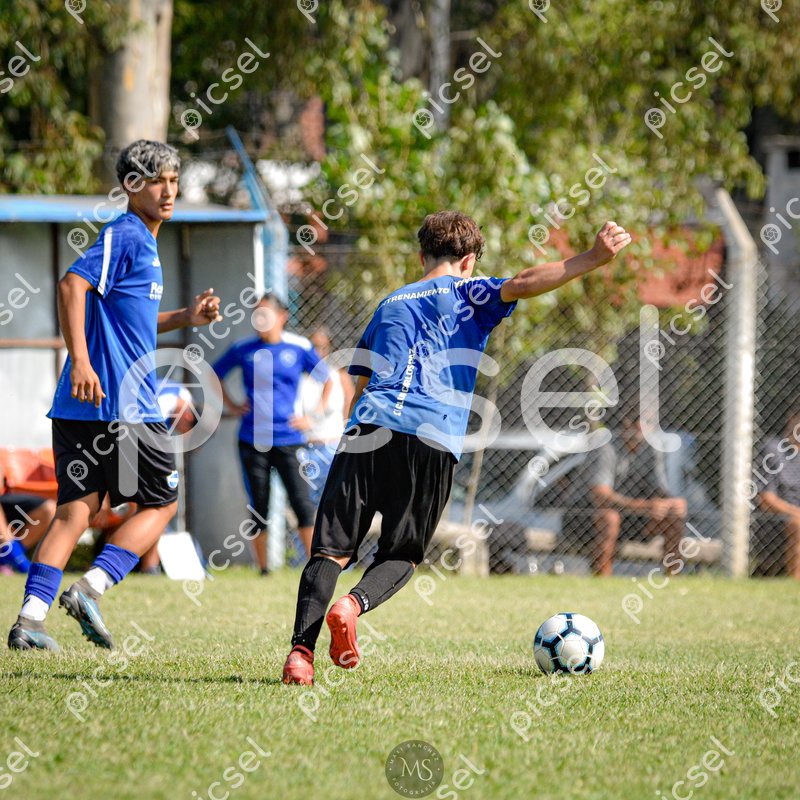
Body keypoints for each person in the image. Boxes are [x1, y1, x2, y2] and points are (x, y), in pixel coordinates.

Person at [281, 211, 632, 685]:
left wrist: (353, 430)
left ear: (421, 256)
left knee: (329, 551)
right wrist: (591, 257)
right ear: (468, 261)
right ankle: (352, 605)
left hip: (366, 429)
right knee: (400, 554)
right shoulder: (469, 292)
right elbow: (524, 282)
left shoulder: (389, 304)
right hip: (430, 436)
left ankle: (300, 654)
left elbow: (358, 379)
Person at [7, 140, 221, 652]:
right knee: (162, 503)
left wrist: (186, 317)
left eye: (173, 181)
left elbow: (131, 320)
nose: (168, 191)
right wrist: (81, 360)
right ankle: (91, 588)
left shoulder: (141, 242)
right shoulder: (127, 234)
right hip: (125, 404)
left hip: (79, 407)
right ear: (130, 186)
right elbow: (70, 286)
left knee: (74, 512)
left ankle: (29, 621)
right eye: (156, 181)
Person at [213, 294, 333, 573]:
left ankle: (314, 568)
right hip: (252, 440)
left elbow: (327, 379)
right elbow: (213, 373)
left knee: (302, 503)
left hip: (289, 440)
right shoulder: (243, 348)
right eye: (256, 313)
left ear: (282, 317)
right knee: (259, 505)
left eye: (265, 313)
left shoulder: (299, 347)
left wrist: (313, 416)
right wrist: (232, 404)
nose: (260, 319)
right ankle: (264, 569)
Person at [560, 409, 687, 576]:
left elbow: (659, 490)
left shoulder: (651, 449)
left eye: (651, 423)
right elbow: (600, 497)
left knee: (673, 515)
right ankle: (602, 578)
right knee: (609, 517)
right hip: (583, 517)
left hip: (629, 515)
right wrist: (645, 506)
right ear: (627, 424)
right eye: (642, 422)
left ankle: (672, 577)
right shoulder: (606, 447)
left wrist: (672, 502)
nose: (646, 428)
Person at [296, 327, 355, 507]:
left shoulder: (339, 375)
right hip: (306, 448)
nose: (319, 352)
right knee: (306, 504)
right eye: (314, 347)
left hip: (332, 447)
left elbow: (350, 405)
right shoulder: (300, 377)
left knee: (333, 503)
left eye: (323, 347)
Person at [756, 407, 800, 579]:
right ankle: (795, 582)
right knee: (798, 523)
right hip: (778, 520)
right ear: (791, 418)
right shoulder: (773, 449)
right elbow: (766, 501)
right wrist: (795, 512)